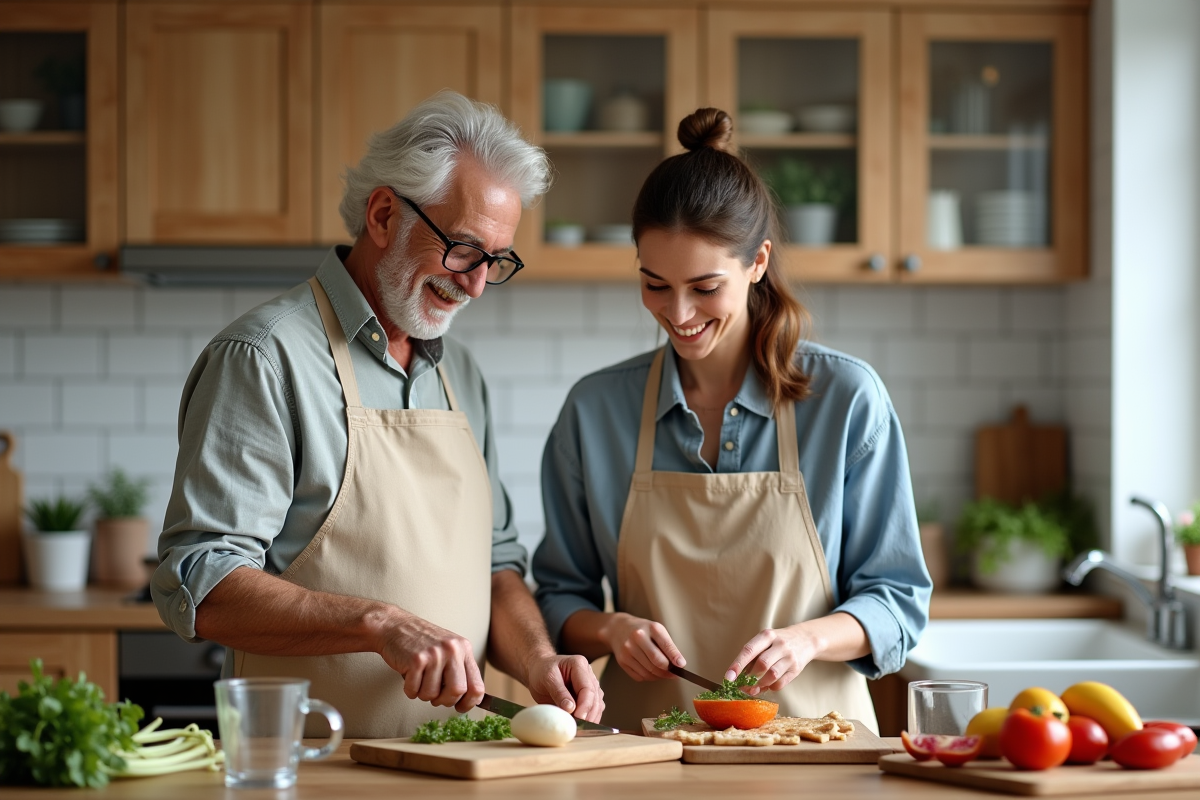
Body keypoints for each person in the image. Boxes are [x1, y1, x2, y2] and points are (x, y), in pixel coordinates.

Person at [151, 91, 603, 738]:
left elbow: (497, 564)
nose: (476, 284)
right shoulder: (264, 357)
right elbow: (201, 581)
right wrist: (379, 623)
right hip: (311, 764)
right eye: (464, 249)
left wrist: (538, 659)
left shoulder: (460, 375)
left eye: (495, 261)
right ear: (385, 214)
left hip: (452, 763)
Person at [532, 108, 930, 732]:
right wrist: (612, 628)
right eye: (654, 284)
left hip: (816, 747)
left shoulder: (847, 399)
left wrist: (808, 640)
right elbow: (559, 596)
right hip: (646, 753)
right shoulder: (594, 411)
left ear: (758, 262)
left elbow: (898, 601)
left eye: (705, 285)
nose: (679, 312)